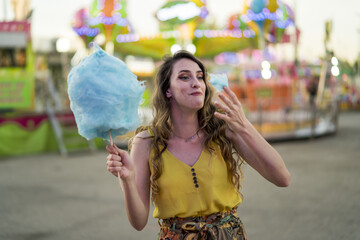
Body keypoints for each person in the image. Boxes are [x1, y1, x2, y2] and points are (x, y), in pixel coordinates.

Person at [106, 51, 291, 239]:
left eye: (200, 77)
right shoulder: (146, 142)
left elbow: (282, 178)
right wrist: (127, 179)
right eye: (184, 77)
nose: (196, 83)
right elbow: (138, 222)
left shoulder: (223, 131)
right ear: (167, 90)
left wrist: (244, 126)